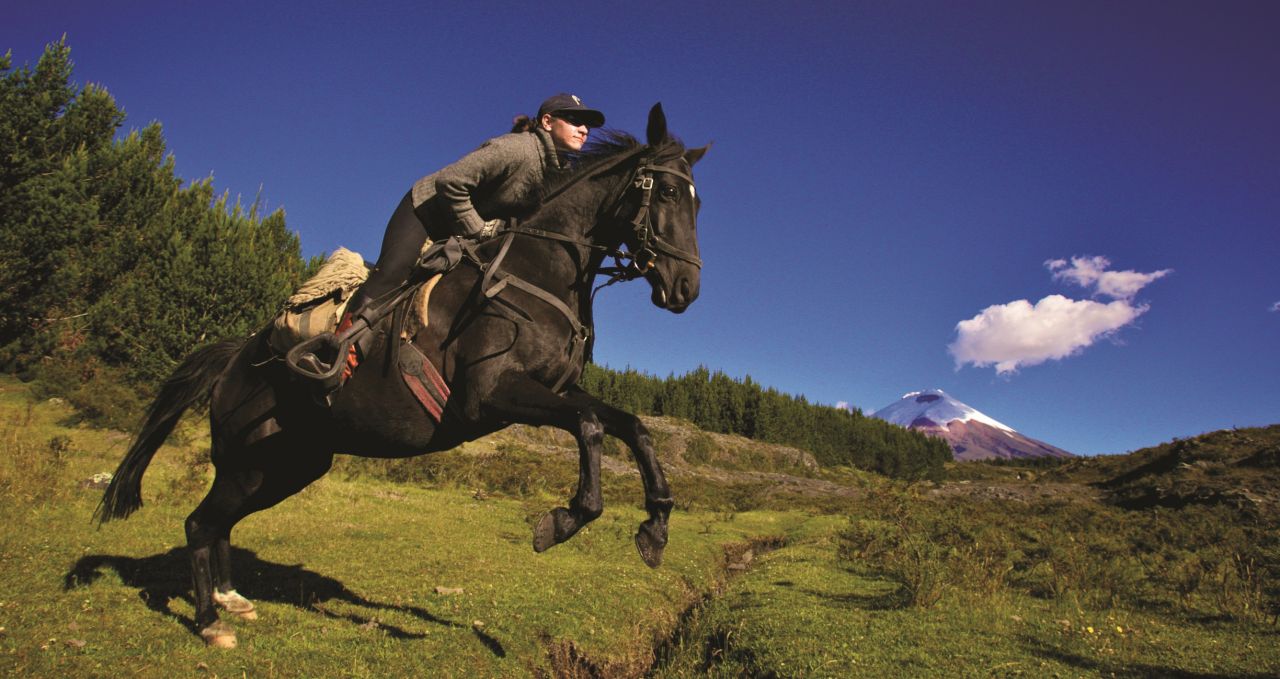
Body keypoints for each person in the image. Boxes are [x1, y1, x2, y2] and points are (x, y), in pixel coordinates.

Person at [317, 93, 607, 380]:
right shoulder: (516, 149)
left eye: (586, 124)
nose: (584, 129)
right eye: (573, 120)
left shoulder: (559, 173)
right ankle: (335, 358)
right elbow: (450, 182)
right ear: (547, 121)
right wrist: (478, 228)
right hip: (427, 213)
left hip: (463, 232)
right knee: (392, 274)